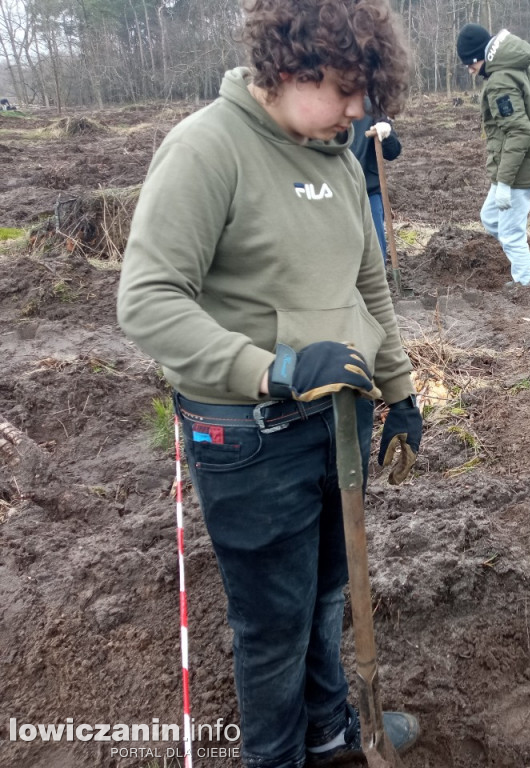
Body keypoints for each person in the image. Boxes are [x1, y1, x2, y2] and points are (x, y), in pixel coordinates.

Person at [116, 0, 423, 766]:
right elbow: (147, 300)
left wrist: (399, 388)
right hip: (249, 436)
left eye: (366, 95)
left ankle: (328, 732)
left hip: (337, 421)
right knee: (273, 627)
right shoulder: (207, 150)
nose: (358, 112)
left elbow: (368, 284)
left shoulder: (338, 157)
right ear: (288, 65)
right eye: (346, 90)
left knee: (325, 598)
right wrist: (274, 369)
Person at [456, 23, 530, 288]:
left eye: (469, 63)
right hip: (522, 161)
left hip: (518, 168)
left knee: (511, 233)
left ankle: (525, 285)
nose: (470, 69)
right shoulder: (521, 65)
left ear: (479, 56)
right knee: (490, 217)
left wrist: (506, 182)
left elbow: (519, 132)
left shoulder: (500, 82)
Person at [349, 98, 401, 264]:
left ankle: (381, 287)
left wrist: (386, 133)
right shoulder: (325, 103)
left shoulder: (372, 105)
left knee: (376, 253)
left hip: (370, 192)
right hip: (335, 192)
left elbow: (393, 152)